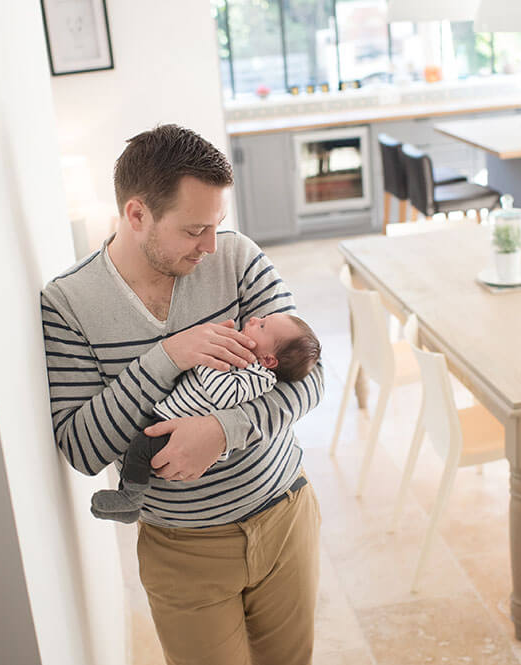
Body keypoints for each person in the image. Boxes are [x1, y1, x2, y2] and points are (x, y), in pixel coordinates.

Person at [41, 124, 324, 665]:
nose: (210, 246)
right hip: (184, 550)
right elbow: (81, 448)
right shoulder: (69, 304)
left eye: (217, 224)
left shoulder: (236, 257)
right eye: (195, 229)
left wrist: (222, 431)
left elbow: (311, 375)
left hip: (286, 515)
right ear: (137, 214)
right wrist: (167, 357)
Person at [90, 312, 321, 524]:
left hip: (179, 430)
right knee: (137, 451)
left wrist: (205, 358)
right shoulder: (241, 357)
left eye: (261, 325)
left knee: (140, 448)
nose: (252, 319)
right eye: (261, 318)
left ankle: (130, 499)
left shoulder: (258, 376)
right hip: (170, 415)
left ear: (269, 360)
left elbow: (223, 395)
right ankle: (128, 498)